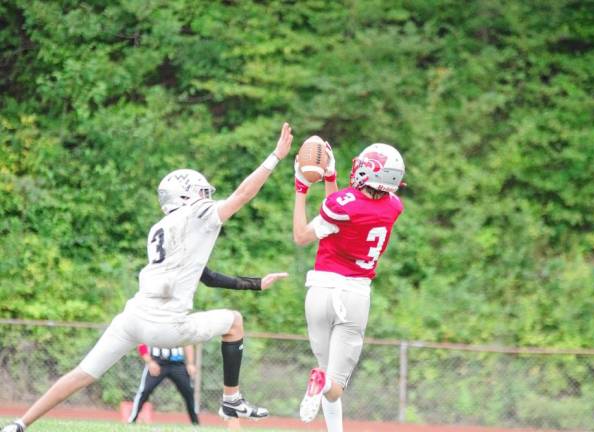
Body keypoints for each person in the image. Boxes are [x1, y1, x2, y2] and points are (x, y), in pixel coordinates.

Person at [1, 122, 294, 432]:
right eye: (199, 192)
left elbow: (203, 275)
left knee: (82, 373)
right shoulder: (196, 215)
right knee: (234, 321)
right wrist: (275, 156)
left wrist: (256, 283)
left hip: (133, 317)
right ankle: (231, 398)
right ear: (184, 196)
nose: (205, 197)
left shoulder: (160, 228)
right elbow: (243, 194)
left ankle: (19, 424)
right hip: (167, 325)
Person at [292, 138, 405, 432]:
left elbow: (302, 236)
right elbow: (344, 208)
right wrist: (331, 178)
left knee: (329, 376)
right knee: (334, 383)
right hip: (355, 295)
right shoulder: (394, 206)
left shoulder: (343, 205)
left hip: (321, 290)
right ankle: (322, 382)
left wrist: (301, 188)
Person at [129, 267, 288, 425]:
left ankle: (198, 423)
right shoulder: (154, 291)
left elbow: (209, 277)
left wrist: (256, 283)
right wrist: (149, 361)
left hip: (177, 357)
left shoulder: (188, 263)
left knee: (189, 394)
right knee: (144, 391)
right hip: (158, 359)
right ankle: (132, 421)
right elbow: (141, 337)